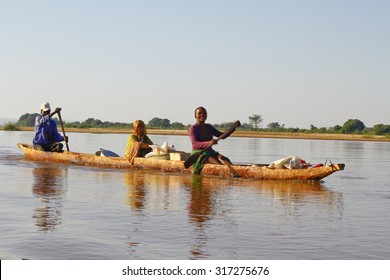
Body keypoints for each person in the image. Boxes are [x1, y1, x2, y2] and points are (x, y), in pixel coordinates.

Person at [189, 106, 236, 173]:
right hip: (199, 153)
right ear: (195, 116)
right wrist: (209, 143)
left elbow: (221, 136)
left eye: (204, 113)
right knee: (217, 163)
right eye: (199, 113)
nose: (202, 114)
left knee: (224, 159)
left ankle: (235, 171)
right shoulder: (192, 129)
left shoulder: (209, 127)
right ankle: (228, 173)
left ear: (206, 115)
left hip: (210, 151)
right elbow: (195, 144)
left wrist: (232, 129)